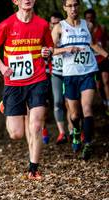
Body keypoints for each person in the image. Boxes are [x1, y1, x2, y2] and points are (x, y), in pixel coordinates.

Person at [0, 0, 53, 179]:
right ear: (15, 1)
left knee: (36, 125)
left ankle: (34, 168)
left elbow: (50, 46)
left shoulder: (42, 24)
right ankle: (6, 105)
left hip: (37, 80)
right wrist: (2, 67)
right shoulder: (6, 25)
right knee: (16, 134)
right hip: (14, 84)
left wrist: (48, 51)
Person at [51, 0, 109, 160]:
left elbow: (93, 45)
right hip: (70, 75)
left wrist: (107, 55)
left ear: (79, 7)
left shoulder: (87, 25)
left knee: (87, 108)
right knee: (75, 114)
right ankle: (76, 131)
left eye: (75, 5)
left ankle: (88, 143)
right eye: (69, 5)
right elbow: (49, 51)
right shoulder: (59, 27)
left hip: (88, 72)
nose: (73, 8)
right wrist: (65, 49)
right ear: (64, 8)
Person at [49, 11, 73, 144]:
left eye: (58, 23)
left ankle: (72, 129)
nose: (55, 25)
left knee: (70, 103)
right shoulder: (47, 36)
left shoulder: (68, 34)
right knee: (57, 102)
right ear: (50, 24)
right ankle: (61, 133)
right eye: (53, 23)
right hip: (56, 74)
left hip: (70, 72)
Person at [84, 8, 109, 116]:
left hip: (103, 59)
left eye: (91, 17)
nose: (90, 19)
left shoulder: (102, 28)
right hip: (92, 61)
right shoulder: (84, 31)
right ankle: (104, 101)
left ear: (94, 17)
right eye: (87, 18)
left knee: (106, 80)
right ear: (85, 19)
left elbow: (107, 42)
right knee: (98, 85)